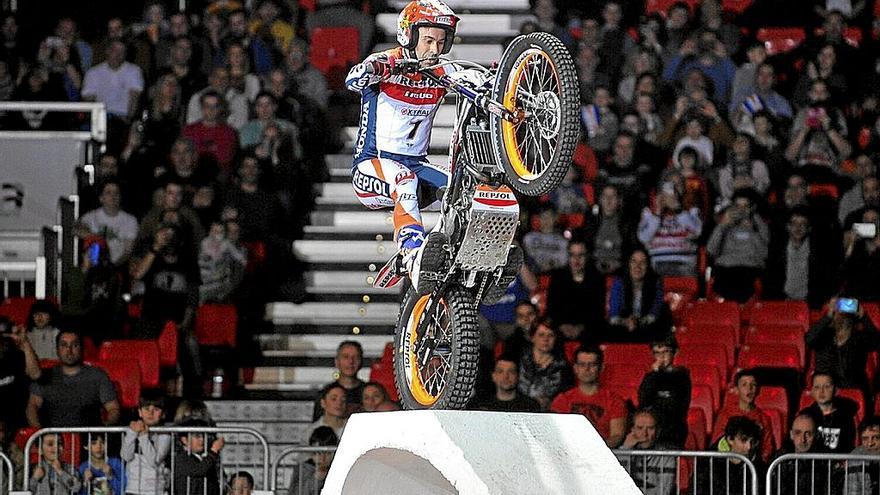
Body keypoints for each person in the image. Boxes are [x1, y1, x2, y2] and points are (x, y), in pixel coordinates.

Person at [345, 0, 460, 289]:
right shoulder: (387, 65)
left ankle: (461, 256)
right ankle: (410, 252)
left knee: (461, 189)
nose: (434, 50)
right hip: (371, 168)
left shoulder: (440, 72)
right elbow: (353, 79)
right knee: (403, 178)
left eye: (441, 42)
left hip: (416, 167)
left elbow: (474, 83)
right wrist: (383, 65)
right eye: (429, 40)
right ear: (409, 35)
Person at [27, 331, 119, 428]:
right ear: (57, 350)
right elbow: (32, 406)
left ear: (81, 348)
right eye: (64, 345)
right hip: (53, 440)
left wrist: (105, 429)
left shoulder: (97, 376)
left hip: (89, 439)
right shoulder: (44, 376)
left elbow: (113, 408)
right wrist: (39, 434)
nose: (69, 350)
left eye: (74, 345)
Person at [550, 346, 627, 447]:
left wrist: (594, 449)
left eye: (592, 364)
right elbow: (555, 435)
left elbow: (617, 436)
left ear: (601, 368)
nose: (587, 369)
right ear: (575, 368)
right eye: (582, 364)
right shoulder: (562, 400)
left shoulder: (614, 401)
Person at [764, 207, 838, 308]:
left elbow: (825, 282)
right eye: (794, 224)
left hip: (810, 304)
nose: (798, 228)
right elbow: (771, 282)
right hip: (783, 303)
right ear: (788, 227)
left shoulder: (819, 253)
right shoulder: (777, 252)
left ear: (809, 228)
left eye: (803, 224)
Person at [706, 190, 769, 302]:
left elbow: (764, 254)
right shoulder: (724, 222)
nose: (741, 210)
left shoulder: (759, 224)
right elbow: (710, 250)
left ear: (752, 207)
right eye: (737, 206)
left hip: (749, 269)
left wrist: (753, 231)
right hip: (725, 269)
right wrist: (722, 226)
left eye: (745, 206)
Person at [806, 297, 880, 392]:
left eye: (847, 307)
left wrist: (863, 315)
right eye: (838, 310)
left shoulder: (859, 337)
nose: (841, 314)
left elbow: (875, 342)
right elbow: (809, 339)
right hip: (826, 390)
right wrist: (828, 316)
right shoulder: (823, 336)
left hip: (853, 389)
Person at [544, 239, 606, 342]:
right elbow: (552, 308)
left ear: (587, 256)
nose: (576, 260)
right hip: (560, 327)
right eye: (573, 255)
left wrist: (580, 328)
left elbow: (598, 310)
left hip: (588, 328)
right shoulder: (558, 277)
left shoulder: (596, 279)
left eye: (581, 255)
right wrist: (562, 326)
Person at [606, 248, 671, 342]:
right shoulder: (619, 282)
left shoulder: (655, 283)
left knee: (661, 325)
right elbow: (614, 315)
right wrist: (626, 322)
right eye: (634, 261)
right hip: (622, 326)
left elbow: (655, 313)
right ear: (628, 264)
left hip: (647, 327)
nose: (638, 266)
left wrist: (637, 322)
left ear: (648, 266)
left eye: (643, 262)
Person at [711, 369, 776, 463]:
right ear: (737, 390)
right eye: (744, 385)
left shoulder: (763, 418)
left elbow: (767, 448)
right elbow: (717, 444)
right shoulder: (725, 415)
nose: (749, 388)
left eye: (753, 385)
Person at [637, 184, 702, 277]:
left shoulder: (691, 211)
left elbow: (697, 231)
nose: (669, 197)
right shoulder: (648, 213)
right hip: (658, 262)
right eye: (665, 194)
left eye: (673, 193)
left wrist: (677, 210)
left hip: (685, 262)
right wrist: (657, 213)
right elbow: (644, 238)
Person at [638, 335, 691, 447]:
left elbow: (676, 404)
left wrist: (656, 375)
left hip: (672, 434)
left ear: (675, 352)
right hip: (649, 433)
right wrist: (654, 374)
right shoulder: (651, 376)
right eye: (657, 353)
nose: (661, 357)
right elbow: (643, 401)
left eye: (665, 352)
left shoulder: (682, 376)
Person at [694, 416, 765, 495]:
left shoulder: (759, 467)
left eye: (753, 441)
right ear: (730, 439)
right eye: (744, 440)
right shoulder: (707, 463)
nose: (749, 447)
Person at [77, 181, 139, 266]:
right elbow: (75, 228)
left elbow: (128, 251)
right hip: (94, 267)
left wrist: (113, 267)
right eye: (108, 193)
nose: (113, 196)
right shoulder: (90, 217)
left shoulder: (130, 220)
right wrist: (93, 237)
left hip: (118, 266)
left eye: (116, 193)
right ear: (101, 198)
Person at [121, 392, 171, 495]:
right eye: (146, 409)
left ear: (163, 414)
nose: (150, 413)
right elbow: (126, 456)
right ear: (140, 412)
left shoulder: (165, 435)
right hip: (133, 488)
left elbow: (153, 461)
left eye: (156, 409)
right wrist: (132, 433)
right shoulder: (133, 430)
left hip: (155, 490)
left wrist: (143, 436)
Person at [617, 409, 676, 495]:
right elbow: (617, 484)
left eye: (650, 428)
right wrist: (625, 450)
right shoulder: (622, 453)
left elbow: (664, 491)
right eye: (640, 428)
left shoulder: (666, 456)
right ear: (632, 430)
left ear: (658, 431)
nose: (644, 434)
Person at [181, 90, 239, 178]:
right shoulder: (189, 130)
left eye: (214, 106)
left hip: (218, 177)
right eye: (207, 106)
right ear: (201, 107)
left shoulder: (229, 132)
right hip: (192, 175)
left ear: (220, 108)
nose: (211, 110)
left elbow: (224, 160)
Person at [517, 322, 572, 410]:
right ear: (532, 337)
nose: (546, 339)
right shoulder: (518, 359)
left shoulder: (563, 366)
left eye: (551, 335)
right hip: (518, 408)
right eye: (541, 335)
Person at [798, 372, 858, 453]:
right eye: (817, 387)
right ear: (812, 391)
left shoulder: (845, 416)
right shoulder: (804, 415)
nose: (821, 391)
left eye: (826, 387)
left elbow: (848, 445)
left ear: (836, 390)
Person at [0, 317, 40, 431]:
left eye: (3, 336)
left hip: (18, 425)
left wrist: (24, 342)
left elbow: (35, 374)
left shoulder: (17, 356)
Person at [313, 341, 365, 420]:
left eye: (355, 357)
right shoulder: (325, 393)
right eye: (345, 357)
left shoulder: (369, 393)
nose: (351, 361)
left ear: (361, 362)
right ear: (337, 362)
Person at [470, 355, 541, 412]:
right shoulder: (480, 405)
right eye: (500, 371)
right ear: (493, 376)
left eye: (511, 372)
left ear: (518, 376)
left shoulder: (530, 406)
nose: (506, 376)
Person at [173, 417, 224, 495]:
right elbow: (198, 470)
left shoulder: (206, 457)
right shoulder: (181, 458)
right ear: (184, 440)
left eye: (204, 435)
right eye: (197, 436)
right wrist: (214, 451)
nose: (202, 439)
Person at [288, 426, 338, 495]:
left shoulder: (338, 469)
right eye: (318, 453)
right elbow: (295, 493)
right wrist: (316, 479)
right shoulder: (303, 469)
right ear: (311, 452)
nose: (323, 458)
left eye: (328, 453)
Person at [845, 416, 880, 494]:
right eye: (865, 439)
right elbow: (851, 491)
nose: (870, 443)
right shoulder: (855, 457)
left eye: (876, 437)